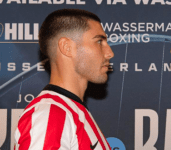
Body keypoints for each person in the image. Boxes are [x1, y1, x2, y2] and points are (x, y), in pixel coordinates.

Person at [14, 9, 113, 150]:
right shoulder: (51, 114)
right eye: (99, 41)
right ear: (67, 47)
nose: (110, 53)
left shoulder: (69, 111)